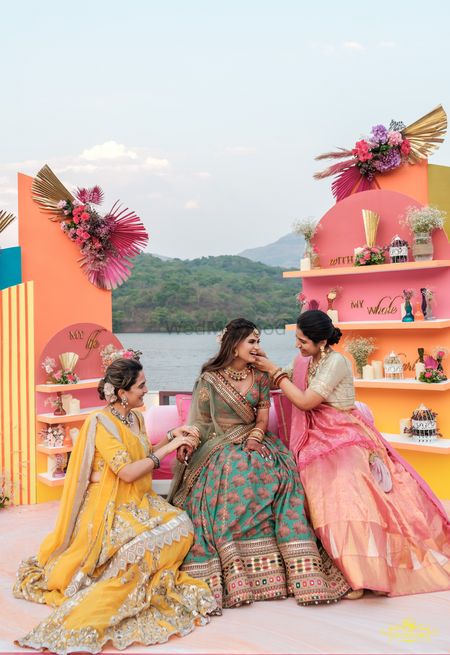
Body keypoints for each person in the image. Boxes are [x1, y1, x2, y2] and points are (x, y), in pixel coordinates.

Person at [14, 358, 216, 654]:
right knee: (136, 551)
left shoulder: (135, 417)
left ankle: (142, 570)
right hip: (109, 505)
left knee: (182, 524)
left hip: (137, 498)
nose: (145, 391)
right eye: (141, 386)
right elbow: (127, 472)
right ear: (122, 393)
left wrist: (174, 435)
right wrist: (170, 449)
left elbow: (143, 453)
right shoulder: (101, 423)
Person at [255, 309, 450, 598]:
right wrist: (255, 364)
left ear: (321, 342)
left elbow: (307, 401)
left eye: (303, 341)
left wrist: (274, 371)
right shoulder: (305, 361)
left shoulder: (337, 362)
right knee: (313, 485)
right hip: (315, 437)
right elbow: (282, 383)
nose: (298, 345)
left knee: (344, 491)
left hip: (344, 434)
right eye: (296, 339)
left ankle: (363, 575)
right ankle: (345, 568)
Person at [168, 318, 350, 611]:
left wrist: (255, 435)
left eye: (258, 341)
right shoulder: (209, 378)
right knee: (231, 476)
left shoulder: (261, 376)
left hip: (256, 440)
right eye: (251, 342)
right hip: (220, 445)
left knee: (281, 477)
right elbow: (200, 421)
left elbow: (263, 417)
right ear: (234, 344)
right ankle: (234, 567)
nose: (257, 347)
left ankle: (291, 567)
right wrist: (189, 440)